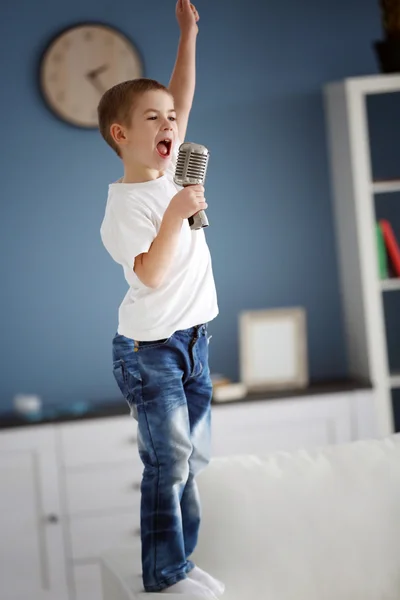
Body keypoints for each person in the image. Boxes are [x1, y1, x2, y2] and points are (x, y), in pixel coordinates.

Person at [99, 1, 223, 596]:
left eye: (172, 118)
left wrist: (187, 33)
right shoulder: (126, 205)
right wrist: (176, 214)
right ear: (123, 135)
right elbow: (149, 273)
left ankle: (182, 557)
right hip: (151, 352)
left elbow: (182, 91)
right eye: (154, 118)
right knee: (167, 462)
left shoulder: (171, 176)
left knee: (193, 461)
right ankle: (163, 574)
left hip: (195, 341)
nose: (170, 123)